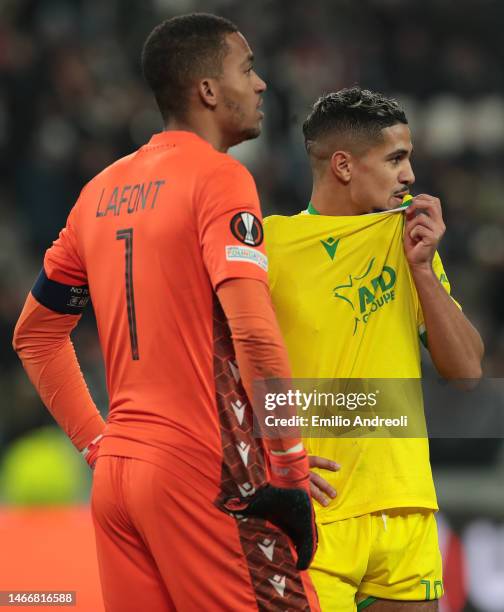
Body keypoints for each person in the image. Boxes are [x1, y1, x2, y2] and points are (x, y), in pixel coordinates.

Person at [13, 13, 320, 612]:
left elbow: (36, 335)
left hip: (119, 481)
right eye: (248, 68)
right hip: (203, 473)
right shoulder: (221, 179)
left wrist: (100, 446)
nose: (261, 85)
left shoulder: (98, 191)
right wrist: (289, 467)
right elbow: (256, 336)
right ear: (207, 90)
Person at [264, 87, 484, 611]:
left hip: (405, 505)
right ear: (343, 165)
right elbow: (222, 369)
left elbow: (468, 372)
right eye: (395, 159)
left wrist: (424, 272)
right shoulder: (268, 245)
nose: (409, 175)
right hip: (315, 511)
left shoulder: (407, 239)